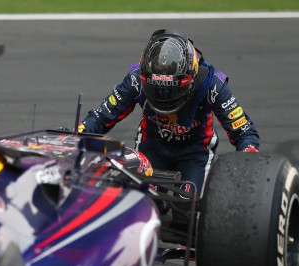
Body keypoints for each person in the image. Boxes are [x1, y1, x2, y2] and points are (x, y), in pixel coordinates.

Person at [78, 29, 260, 196]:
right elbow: (101, 117)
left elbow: (244, 131)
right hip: (152, 147)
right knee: (140, 200)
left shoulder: (212, 85)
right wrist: (78, 134)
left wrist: (246, 159)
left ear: (191, 76)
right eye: (156, 90)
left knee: (187, 210)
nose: (163, 95)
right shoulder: (136, 80)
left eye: (170, 91)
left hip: (195, 152)